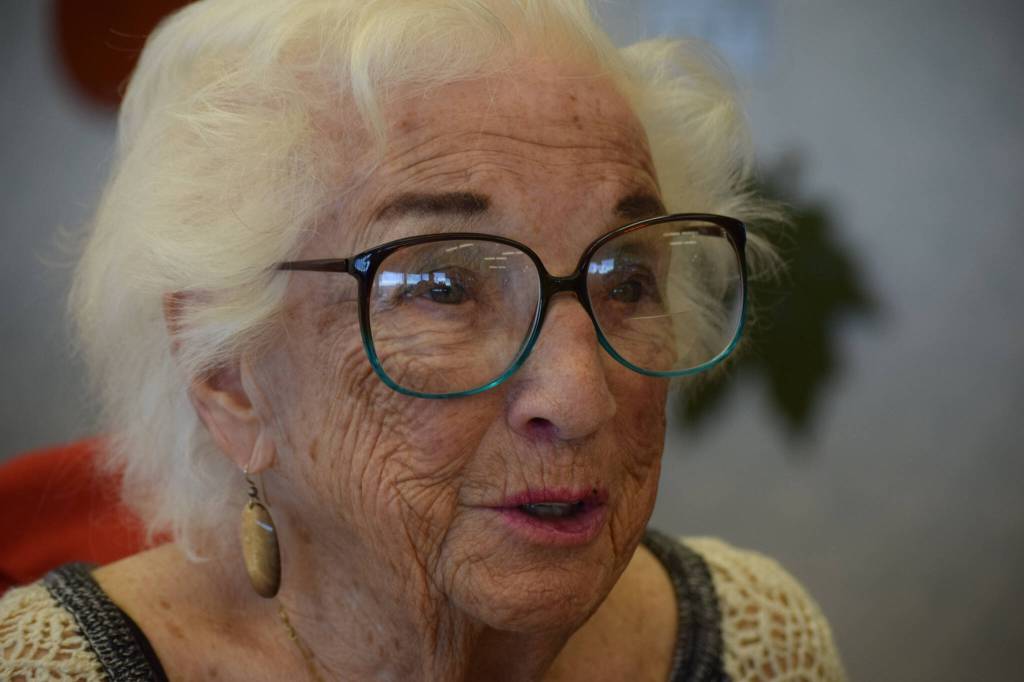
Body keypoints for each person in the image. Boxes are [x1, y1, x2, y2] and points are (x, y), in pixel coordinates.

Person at [0, 1, 845, 680]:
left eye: (624, 280)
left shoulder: (757, 646)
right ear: (227, 375)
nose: (579, 397)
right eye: (443, 287)